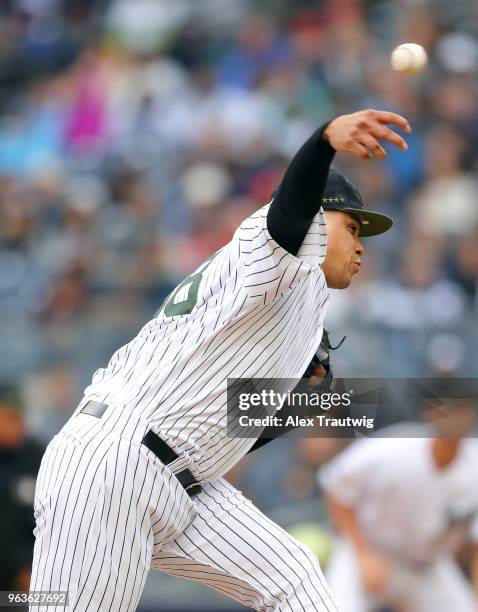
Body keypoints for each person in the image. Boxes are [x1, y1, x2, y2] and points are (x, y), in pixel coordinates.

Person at [30, 108, 411, 612]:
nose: (360, 247)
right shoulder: (275, 250)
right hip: (114, 465)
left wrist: (293, 405)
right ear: (318, 223)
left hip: (186, 484)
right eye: (351, 227)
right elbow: (289, 213)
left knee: (294, 577)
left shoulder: (292, 303)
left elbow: (226, 426)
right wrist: (322, 144)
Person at [318, 402, 478, 612]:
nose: (454, 418)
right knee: (331, 608)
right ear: (430, 413)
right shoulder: (395, 447)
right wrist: (363, 554)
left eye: (461, 409)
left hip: (427, 567)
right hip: (369, 551)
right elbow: (337, 488)